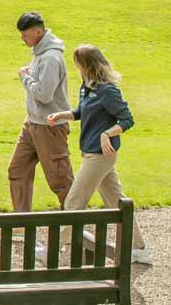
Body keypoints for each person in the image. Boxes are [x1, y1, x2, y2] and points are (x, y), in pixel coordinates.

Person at [47, 44, 152, 265]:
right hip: (90, 152)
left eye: (78, 65)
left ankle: (53, 250)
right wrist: (61, 115)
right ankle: (140, 249)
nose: (77, 69)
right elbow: (81, 112)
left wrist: (108, 133)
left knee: (75, 200)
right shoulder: (86, 87)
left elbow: (127, 119)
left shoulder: (108, 91)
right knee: (117, 202)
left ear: (86, 65)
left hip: (100, 155)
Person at [7, 11, 73, 213]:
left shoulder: (51, 58)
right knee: (17, 170)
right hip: (32, 124)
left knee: (60, 180)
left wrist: (25, 78)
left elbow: (44, 95)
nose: (22, 39)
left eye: (25, 35)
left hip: (50, 127)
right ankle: (22, 225)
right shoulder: (39, 52)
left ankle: (75, 224)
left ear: (38, 32)